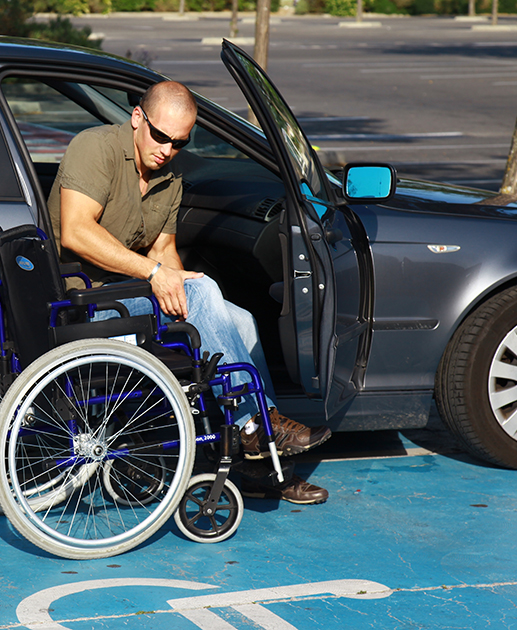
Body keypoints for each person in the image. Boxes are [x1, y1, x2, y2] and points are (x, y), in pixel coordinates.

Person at [47, 80, 331, 504]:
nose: (167, 149)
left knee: (239, 319)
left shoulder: (169, 175)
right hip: (86, 304)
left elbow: (164, 250)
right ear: (138, 118)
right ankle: (255, 426)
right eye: (160, 136)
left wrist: (188, 294)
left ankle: (262, 463)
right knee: (202, 293)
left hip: (130, 295)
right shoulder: (97, 148)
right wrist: (159, 275)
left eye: (180, 142)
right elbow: (76, 232)